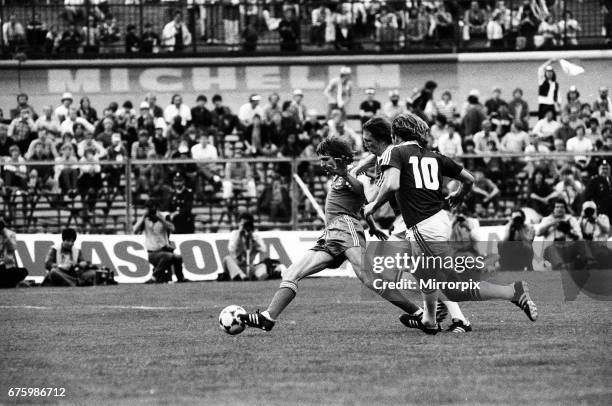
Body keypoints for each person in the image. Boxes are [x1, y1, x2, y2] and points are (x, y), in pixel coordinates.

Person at [365, 112, 538, 335]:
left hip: (422, 225)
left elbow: (392, 185)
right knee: (425, 274)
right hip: (437, 220)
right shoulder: (435, 156)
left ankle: (512, 292)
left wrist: (373, 206)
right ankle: (429, 320)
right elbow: (470, 179)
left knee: (453, 287)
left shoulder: (396, 152)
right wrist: (459, 194)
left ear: (395, 135)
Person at [239, 136, 425, 332]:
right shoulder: (346, 172)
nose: (322, 164)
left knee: (369, 277)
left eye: (325, 159)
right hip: (330, 234)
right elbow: (361, 200)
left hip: (346, 228)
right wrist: (373, 226)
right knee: (291, 273)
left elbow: (362, 191)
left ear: (340, 159)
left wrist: (347, 173)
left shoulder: (353, 175)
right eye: (320, 160)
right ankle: (268, 317)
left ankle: (420, 314)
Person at [133, 199, 188, 283]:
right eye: (147, 208)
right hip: (152, 253)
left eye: (150, 208)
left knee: (178, 258)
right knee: (169, 256)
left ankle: (180, 278)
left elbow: (172, 228)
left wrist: (161, 219)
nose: (149, 210)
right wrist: (143, 217)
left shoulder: (165, 216)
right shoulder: (145, 219)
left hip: (164, 249)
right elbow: (134, 230)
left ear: (156, 207)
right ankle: (154, 277)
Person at [220, 213, 269, 281]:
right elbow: (231, 249)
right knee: (227, 259)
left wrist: (254, 240)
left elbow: (263, 250)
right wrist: (239, 234)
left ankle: (256, 277)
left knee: (262, 265)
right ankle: (241, 276)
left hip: (249, 266)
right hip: (236, 266)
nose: (245, 227)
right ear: (239, 224)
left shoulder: (255, 236)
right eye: (243, 224)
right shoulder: (235, 234)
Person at [0, 218, 28, 288]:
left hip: (7, 267)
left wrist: (4, 234)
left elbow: (12, 247)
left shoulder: (10, 234)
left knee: (23, 271)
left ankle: (5, 282)